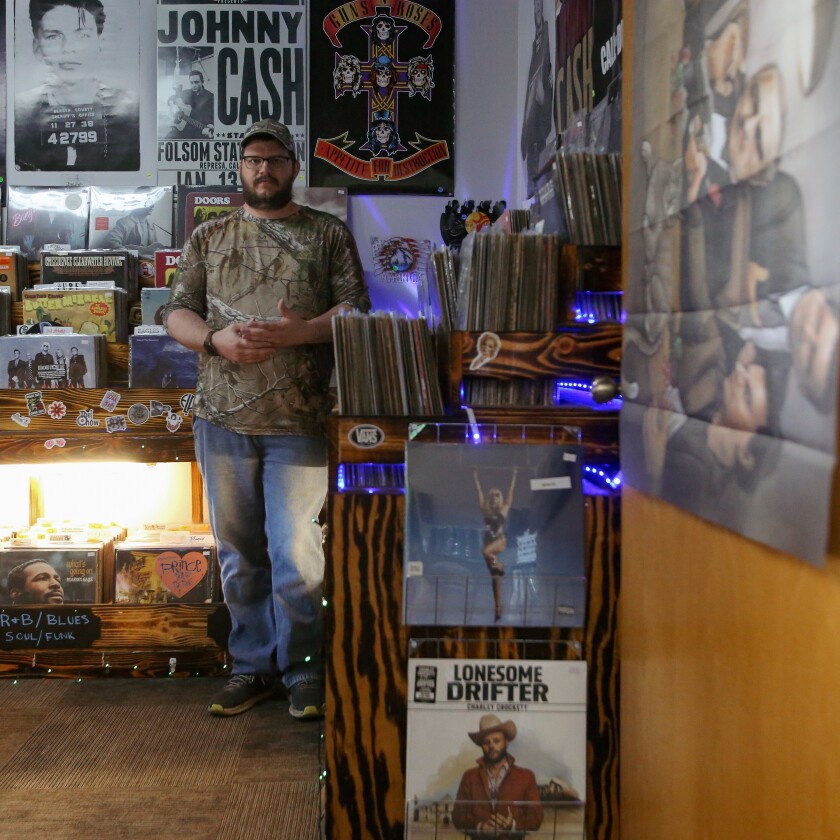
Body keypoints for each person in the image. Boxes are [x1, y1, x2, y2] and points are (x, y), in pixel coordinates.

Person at [163, 118, 370, 719]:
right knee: (238, 550)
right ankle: (251, 667)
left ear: (293, 167)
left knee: (298, 554)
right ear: (240, 169)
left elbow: (357, 309)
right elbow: (177, 312)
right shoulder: (210, 235)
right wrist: (213, 342)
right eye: (253, 159)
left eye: (274, 159)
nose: (263, 169)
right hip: (221, 418)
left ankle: (303, 673)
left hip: (300, 418)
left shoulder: (327, 233)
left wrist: (305, 330)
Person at [15, 0, 140, 172]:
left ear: (100, 44)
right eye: (54, 36)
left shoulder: (132, 111)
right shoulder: (17, 113)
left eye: (82, 36)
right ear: (37, 48)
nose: (69, 48)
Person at [452, 714, 544, 840]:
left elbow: (536, 817)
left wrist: (512, 825)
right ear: (481, 745)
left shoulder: (526, 777)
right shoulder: (469, 777)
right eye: (486, 742)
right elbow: (458, 816)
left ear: (506, 742)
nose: (491, 747)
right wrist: (480, 827)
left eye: (496, 741)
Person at [473, 466, 517, 621]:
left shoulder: (503, 510)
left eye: (497, 495)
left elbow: (510, 495)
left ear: (500, 497)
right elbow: (479, 493)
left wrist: (514, 475)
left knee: (485, 552)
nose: (494, 497)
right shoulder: (486, 510)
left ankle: (501, 566)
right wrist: (476, 477)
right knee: (494, 576)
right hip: (488, 541)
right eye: (492, 495)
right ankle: (498, 608)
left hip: (498, 542)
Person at [167, 70, 214, 139]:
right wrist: (174, 107)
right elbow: (171, 99)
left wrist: (211, 125)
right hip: (182, 130)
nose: (194, 85)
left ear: (202, 82)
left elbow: (215, 116)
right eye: (191, 83)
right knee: (168, 138)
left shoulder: (210, 97)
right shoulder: (185, 93)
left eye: (196, 82)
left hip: (200, 131)